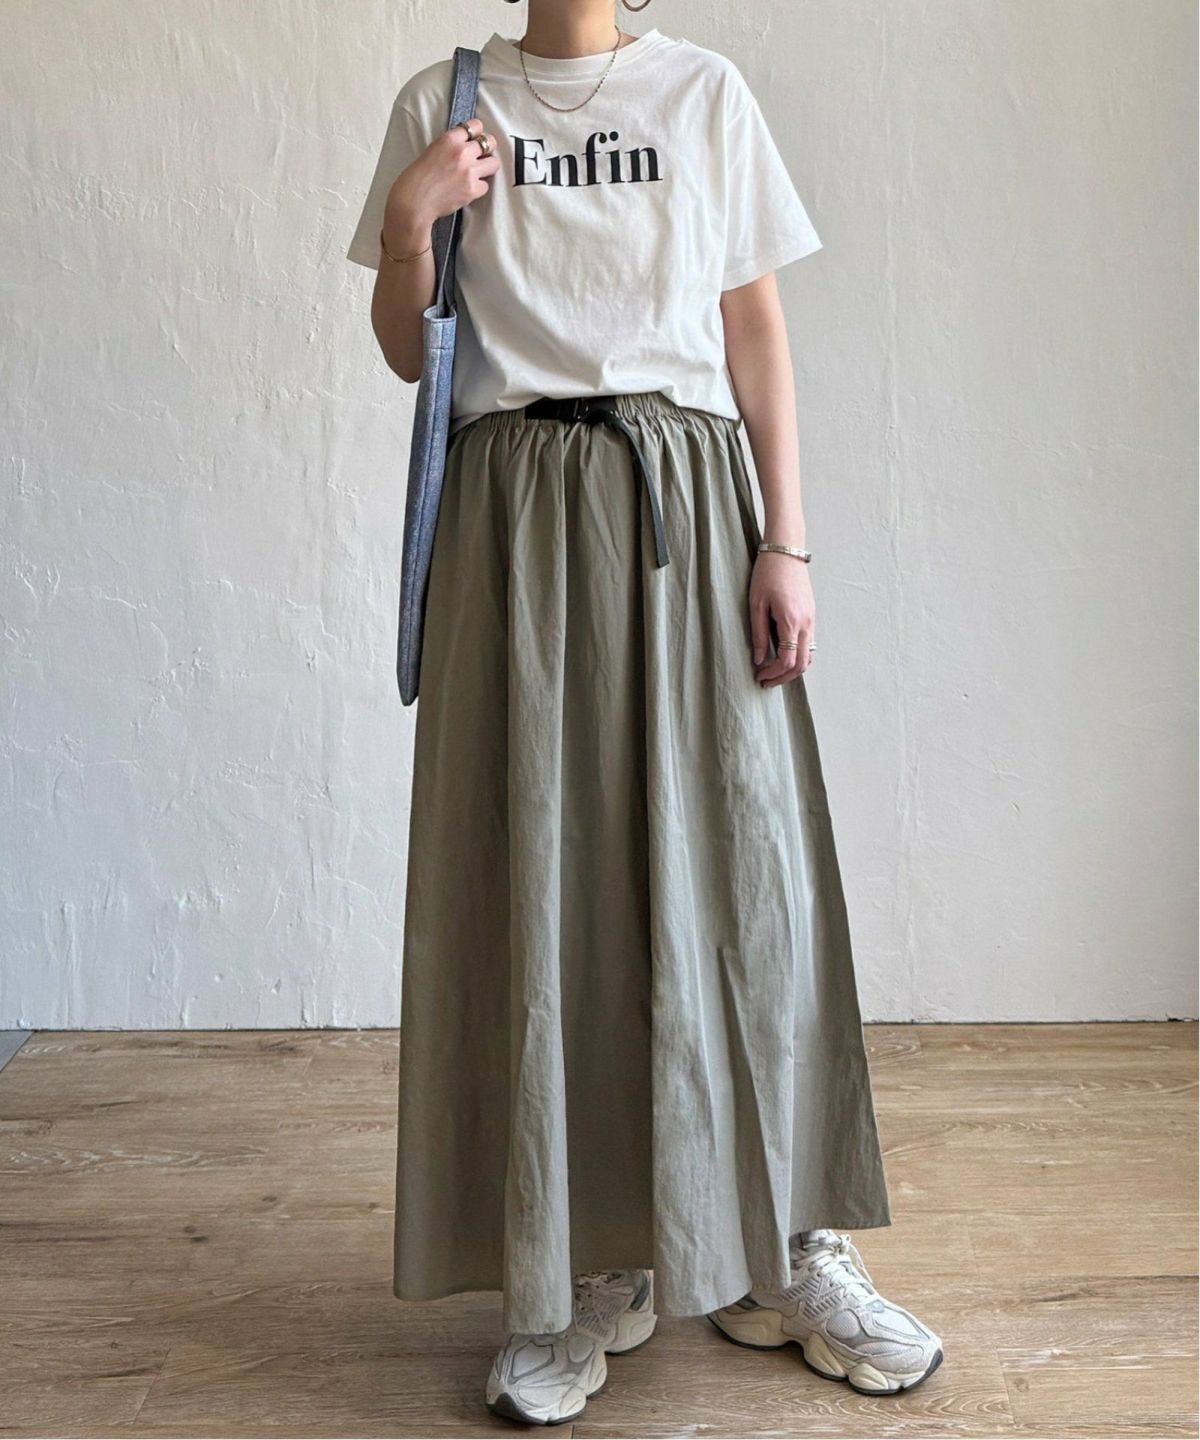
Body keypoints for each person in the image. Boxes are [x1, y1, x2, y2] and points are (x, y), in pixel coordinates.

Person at [346, 0, 942, 1424]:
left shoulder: (703, 92)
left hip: (687, 500)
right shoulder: (444, 98)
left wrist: (787, 543)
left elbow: (754, 328)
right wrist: (415, 218)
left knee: (747, 879)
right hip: (516, 519)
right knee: (552, 889)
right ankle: (587, 1259)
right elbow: (411, 353)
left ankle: (788, 1246)